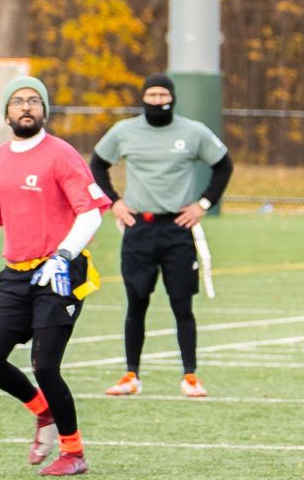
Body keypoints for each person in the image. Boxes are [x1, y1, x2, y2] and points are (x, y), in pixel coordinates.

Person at [0, 75, 108, 478]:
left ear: (44, 111)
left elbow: (90, 211)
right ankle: (43, 412)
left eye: (34, 101)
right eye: (18, 101)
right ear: (6, 113)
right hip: (16, 276)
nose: (26, 107)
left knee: (45, 365)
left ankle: (74, 452)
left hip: (60, 274)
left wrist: (63, 255)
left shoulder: (61, 154)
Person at [89, 74, 232, 398]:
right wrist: (114, 202)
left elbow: (224, 165)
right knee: (136, 302)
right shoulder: (125, 131)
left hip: (178, 229)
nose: (156, 100)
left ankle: (190, 376)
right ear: (143, 98)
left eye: (162, 94)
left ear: (172, 97)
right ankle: (131, 375)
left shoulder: (193, 131)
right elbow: (97, 164)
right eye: (151, 94)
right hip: (139, 228)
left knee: (182, 305)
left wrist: (203, 204)